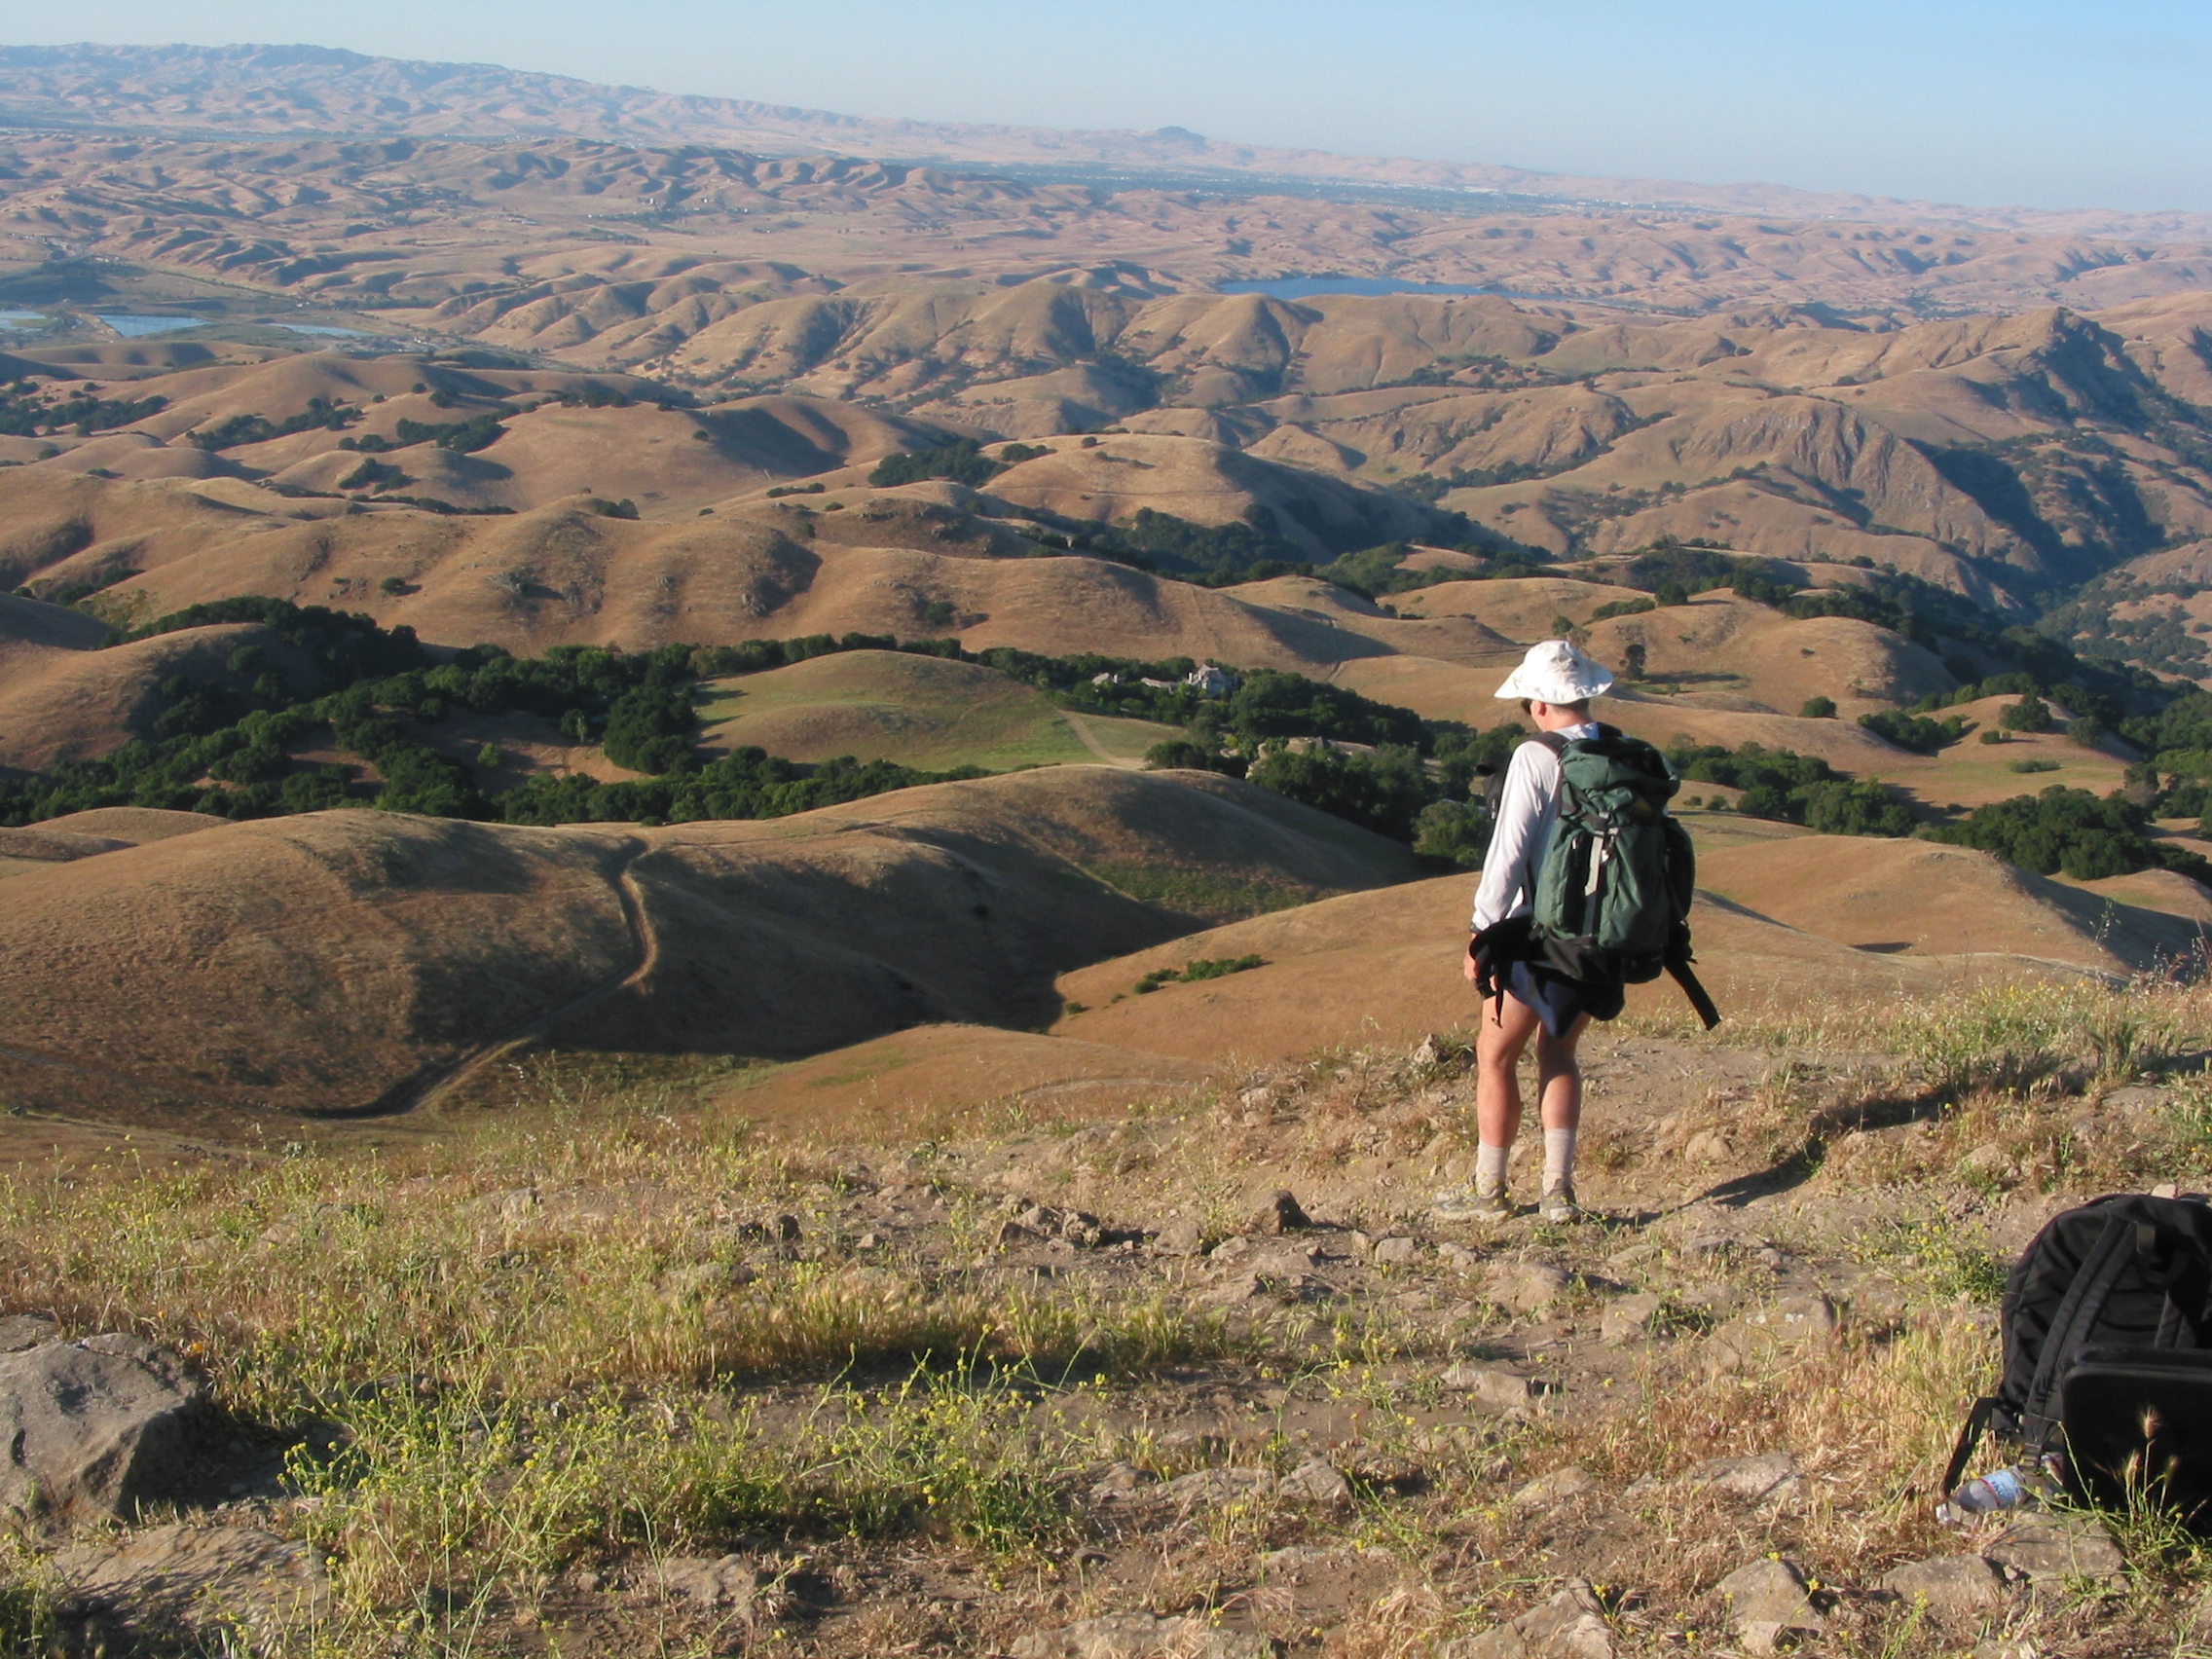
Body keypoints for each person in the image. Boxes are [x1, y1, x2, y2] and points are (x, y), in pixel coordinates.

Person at [1436, 640, 1624, 1225]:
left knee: (1494, 1054)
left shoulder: (1535, 757)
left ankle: (1488, 1192)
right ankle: (1558, 1193)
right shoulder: (1620, 753)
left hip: (1537, 932)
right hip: (1604, 934)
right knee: (1560, 1052)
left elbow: (1508, 853)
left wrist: (1480, 933)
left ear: (1539, 702)